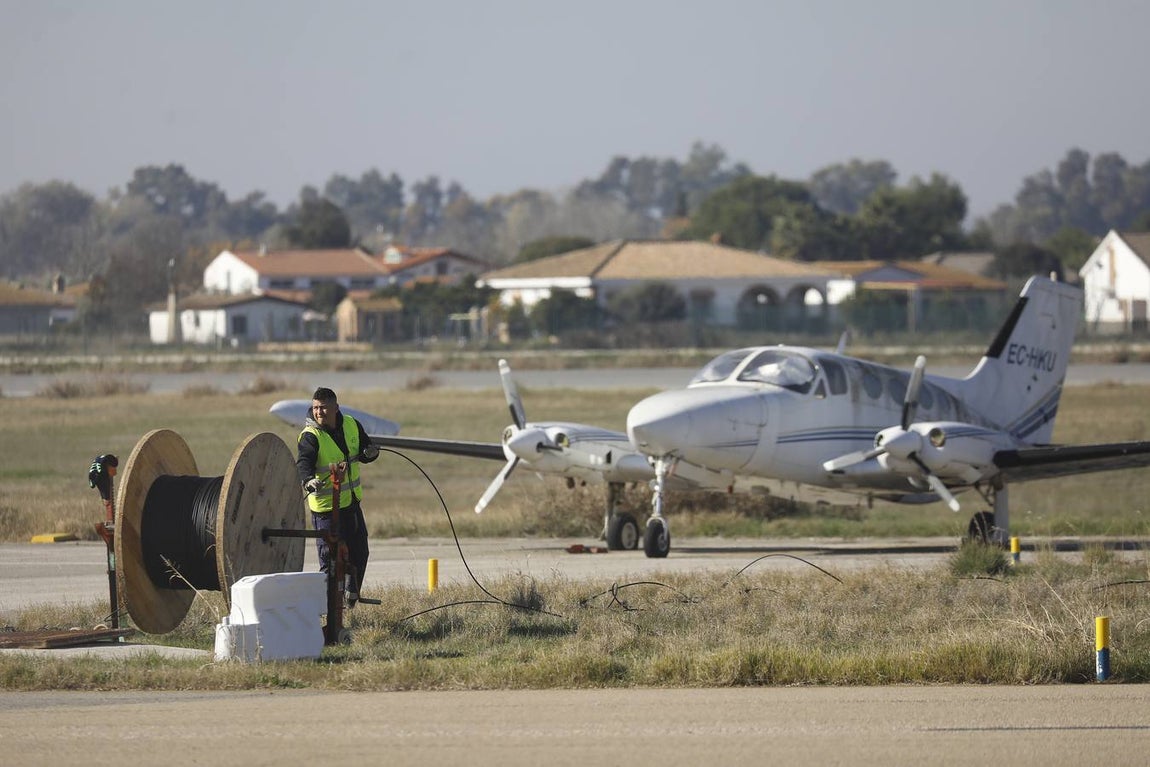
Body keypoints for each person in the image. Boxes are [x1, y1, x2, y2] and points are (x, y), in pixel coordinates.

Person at [296, 387, 379, 603]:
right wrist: (308, 480)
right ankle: (328, 608)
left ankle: (352, 594)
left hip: (351, 503)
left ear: (336, 408)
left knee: (360, 553)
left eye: (323, 408)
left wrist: (371, 453)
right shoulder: (310, 436)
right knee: (330, 562)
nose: (319, 412)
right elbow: (303, 463)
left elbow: (365, 449)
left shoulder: (351, 424)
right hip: (325, 510)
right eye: (315, 408)